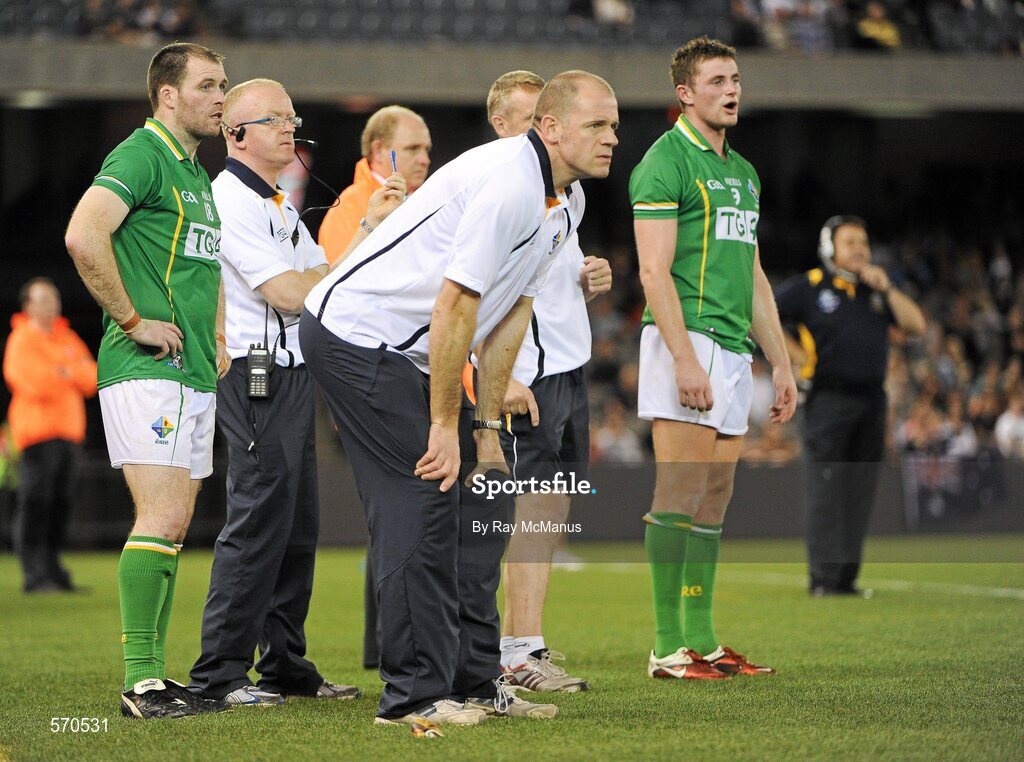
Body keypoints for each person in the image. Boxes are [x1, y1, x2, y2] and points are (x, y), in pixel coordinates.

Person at [300, 70, 618, 726]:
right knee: (422, 495)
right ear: (551, 128)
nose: (613, 137)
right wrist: (445, 425)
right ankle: (413, 697)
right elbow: (455, 307)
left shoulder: (556, 205)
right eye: (598, 125)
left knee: (473, 498)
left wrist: (484, 430)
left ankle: (474, 684)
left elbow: (508, 319)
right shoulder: (510, 186)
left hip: (405, 350)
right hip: (358, 338)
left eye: (613, 125)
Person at [186, 78, 405, 707]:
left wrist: (365, 226)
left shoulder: (277, 202)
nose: (291, 129)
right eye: (275, 120)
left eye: (292, 117)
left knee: (297, 525)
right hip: (257, 373)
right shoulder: (229, 199)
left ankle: (284, 666)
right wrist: (315, 275)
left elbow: (324, 279)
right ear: (236, 133)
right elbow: (292, 293)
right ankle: (219, 676)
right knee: (257, 522)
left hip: (287, 372)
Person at [64, 42, 232, 720]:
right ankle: (140, 681)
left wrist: (216, 333)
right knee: (159, 515)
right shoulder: (142, 155)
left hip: (191, 371)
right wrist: (131, 318)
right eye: (208, 85)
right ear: (167, 95)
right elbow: (84, 234)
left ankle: (159, 679)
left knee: (176, 523)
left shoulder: (194, 169)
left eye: (224, 85)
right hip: (146, 369)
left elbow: (205, 266)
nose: (222, 97)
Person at [629, 36, 797, 680]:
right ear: (685, 93)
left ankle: (701, 636)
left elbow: (753, 275)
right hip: (688, 338)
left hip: (730, 348)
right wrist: (683, 357)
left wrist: (779, 361)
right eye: (718, 80)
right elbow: (652, 269)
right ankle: (667, 645)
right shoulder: (665, 161)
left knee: (716, 495)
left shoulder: (744, 173)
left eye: (736, 79)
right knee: (679, 490)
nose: (732, 89)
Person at [485, 70, 611, 693]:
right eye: (533, 115)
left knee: (549, 512)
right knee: (512, 516)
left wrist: (586, 278)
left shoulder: (570, 194)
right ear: (502, 125)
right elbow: (474, 291)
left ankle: (527, 644)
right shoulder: (503, 189)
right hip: (526, 376)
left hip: (568, 364)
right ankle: (505, 651)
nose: (547, 125)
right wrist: (495, 373)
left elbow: (550, 272)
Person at [775, 215, 926, 596]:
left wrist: (888, 288)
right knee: (827, 489)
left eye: (863, 242)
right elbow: (761, 314)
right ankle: (823, 580)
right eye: (850, 242)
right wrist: (793, 357)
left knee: (859, 490)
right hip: (828, 398)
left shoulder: (876, 292)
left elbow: (916, 325)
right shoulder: (811, 287)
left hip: (873, 400)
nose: (860, 249)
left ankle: (846, 579)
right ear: (830, 250)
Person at [3, 277, 97, 594]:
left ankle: (54, 571)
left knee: (60, 505)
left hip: (69, 436)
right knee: (35, 505)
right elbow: (32, 381)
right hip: (37, 438)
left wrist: (63, 372)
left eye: (54, 297)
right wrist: (69, 371)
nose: (51, 304)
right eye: (43, 299)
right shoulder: (22, 339)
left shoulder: (66, 337)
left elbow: (92, 378)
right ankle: (34, 575)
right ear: (27, 305)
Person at [317, 105, 431, 264]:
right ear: (378, 151)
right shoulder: (348, 206)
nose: (425, 160)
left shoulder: (430, 202)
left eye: (426, 149)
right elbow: (339, 280)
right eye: (412, 148)